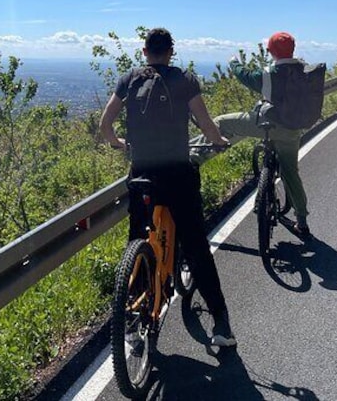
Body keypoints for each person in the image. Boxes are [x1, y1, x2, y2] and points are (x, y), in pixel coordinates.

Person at [99, 27, 237, 347]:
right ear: (171, 52)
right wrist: (219, 141)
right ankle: (221, 324)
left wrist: (120, 144)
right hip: (177, 174)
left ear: (145, 52)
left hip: (142, 172)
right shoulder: (185, 79)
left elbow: (105, 126)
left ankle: (132, 322)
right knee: (196, 245)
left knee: (137, 239)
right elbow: (205, 123)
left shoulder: (129, 78)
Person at [214, 31, 312, 239]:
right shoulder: (305, 71)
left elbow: (246, 77)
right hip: (293, 130)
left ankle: (194, 159)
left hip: (266, 125)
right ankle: (302, 220)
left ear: (271, 51)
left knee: (220, 122)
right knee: (291, 173)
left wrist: (233, 63)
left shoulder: (268, 73)